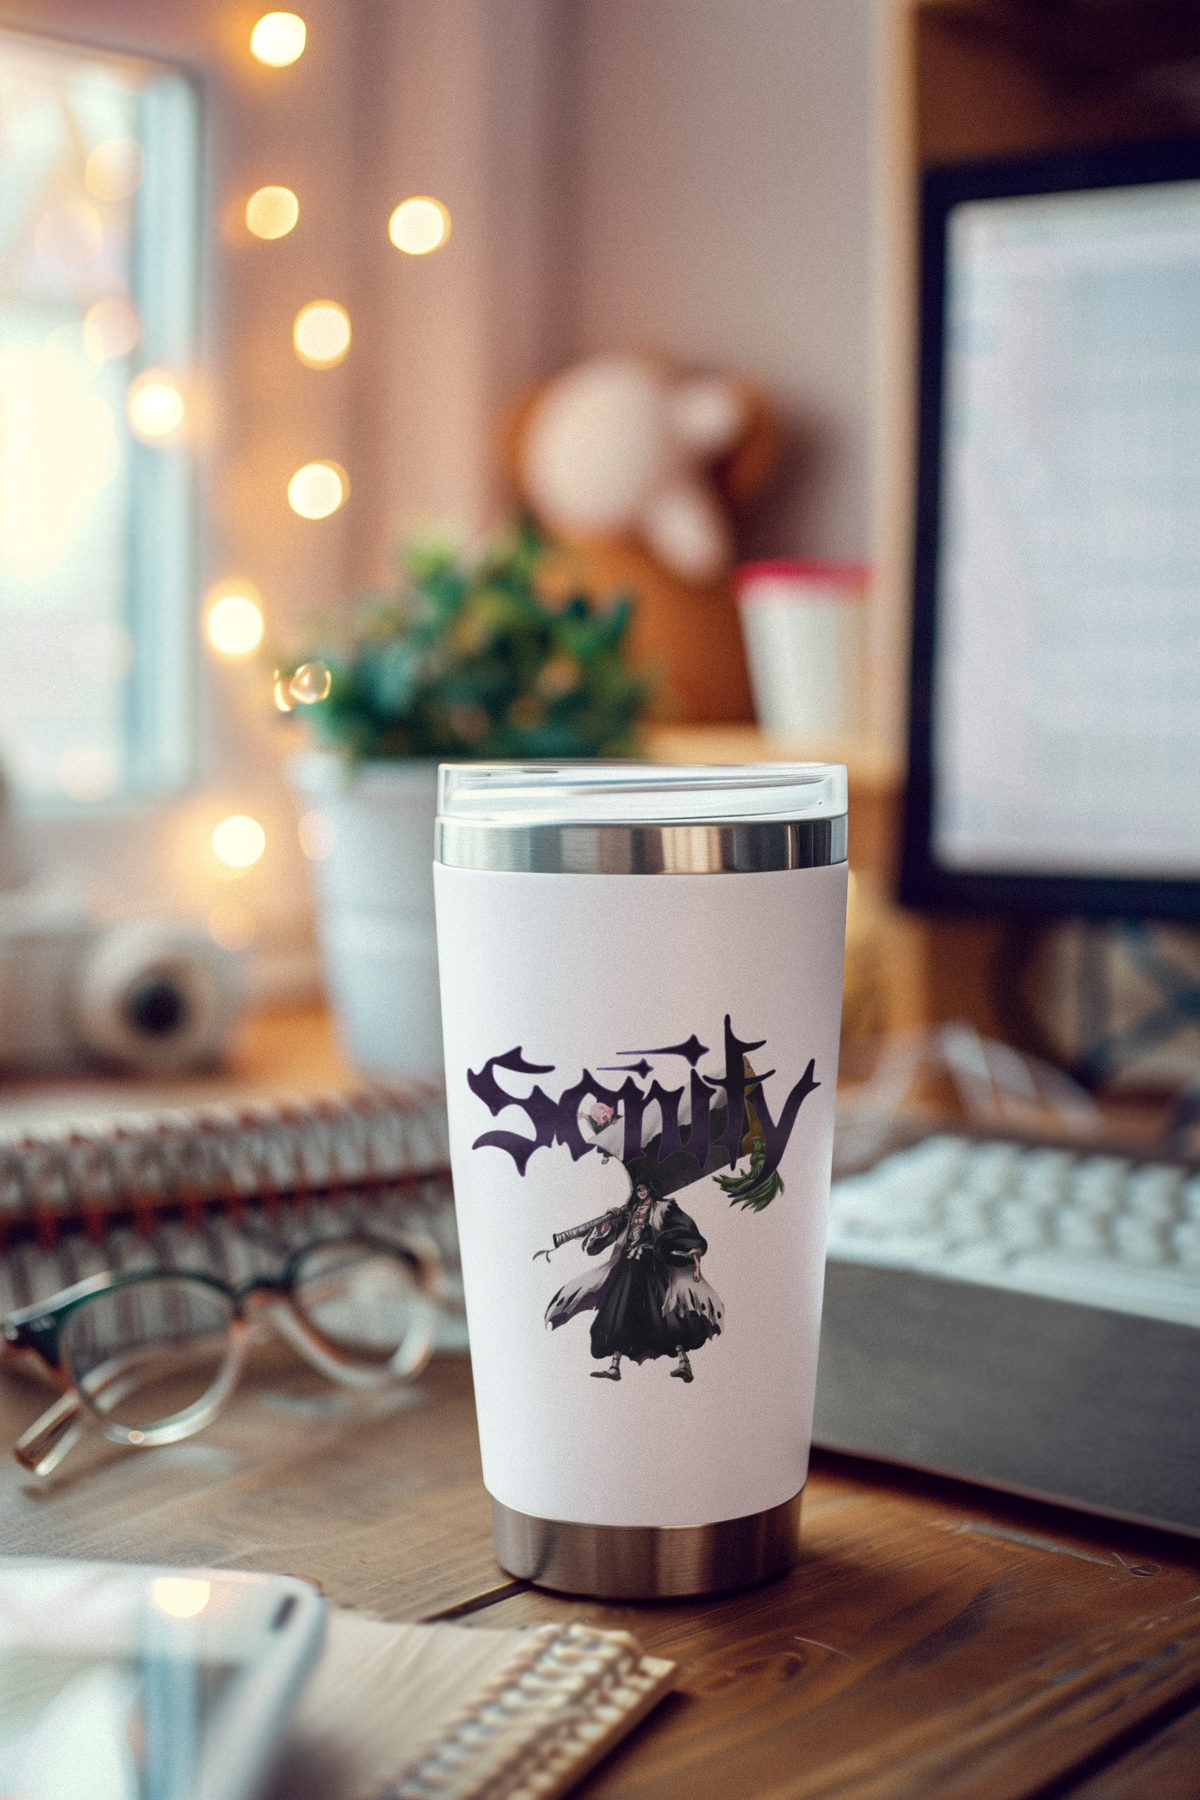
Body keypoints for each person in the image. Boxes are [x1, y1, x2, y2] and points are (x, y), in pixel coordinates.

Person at [545, 1175, 723, 1382]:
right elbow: (599, 1245)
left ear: (650, 1188)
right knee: (618, 1312)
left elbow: (686, 1231)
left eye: (644, 1187)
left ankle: (684, 1362)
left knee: (666, 1310)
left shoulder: (664, 1208)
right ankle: (614, 1367)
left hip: (652, 1265)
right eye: (638, 1188)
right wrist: (606, 1225)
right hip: (628, 1267)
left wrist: (686, 1251)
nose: (640, 1191)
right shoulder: (628, 1214)